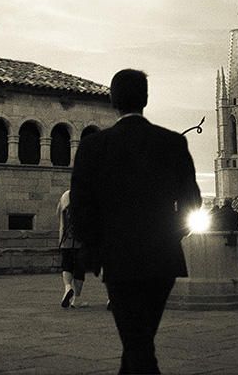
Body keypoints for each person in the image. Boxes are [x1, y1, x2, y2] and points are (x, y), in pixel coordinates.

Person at [71, 68, 202, 373]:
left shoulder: (93, 147)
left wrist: (95, 251)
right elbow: (192, 203)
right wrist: (170, 236)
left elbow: (81, 207)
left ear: (113, 101)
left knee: (137, 344)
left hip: (117, 262)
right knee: (139, 342)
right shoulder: (172, 143)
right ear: (145, 98)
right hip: (162, 261)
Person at [56, 189, 89, 308]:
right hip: (81, 240)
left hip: (66, 239)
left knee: (67, 265)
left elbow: (58, 213)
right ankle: (76, 299)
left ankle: (67, 288)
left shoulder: (65, 195)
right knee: (79, 269)